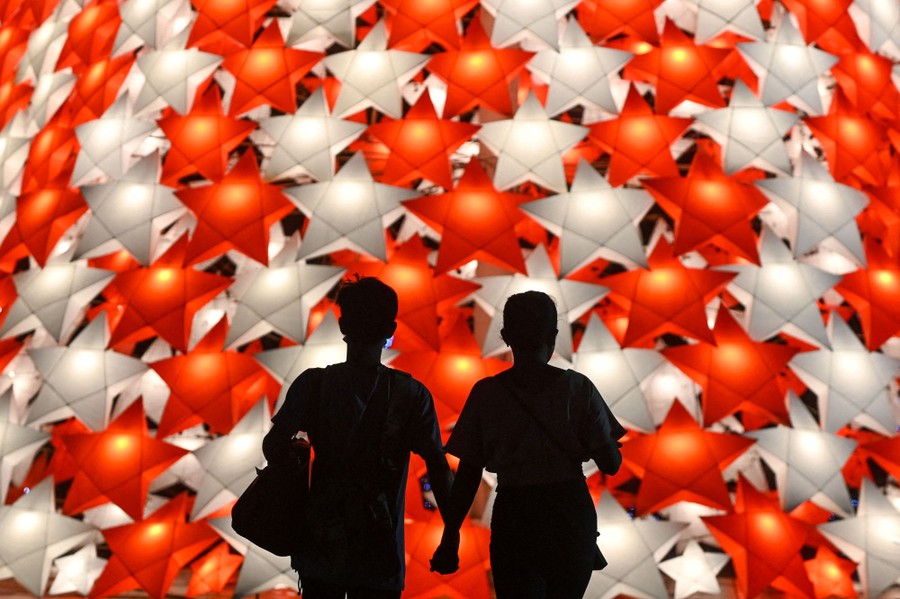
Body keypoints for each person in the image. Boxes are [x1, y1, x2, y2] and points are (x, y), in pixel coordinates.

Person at [263, 277, 452, 599]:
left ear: (343, 325)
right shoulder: (411, 394)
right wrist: (451, 534)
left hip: (321, 548)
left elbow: (273, 446)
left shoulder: (314, 385)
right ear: (390, 329)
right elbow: (437, 466)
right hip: (380, 554)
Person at [429, 290, 626, 598]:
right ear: (553, 335)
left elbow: (468, 475)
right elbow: (611, 465)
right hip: (569, 512)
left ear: (506, 336)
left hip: (515, 514)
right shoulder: (578, 389)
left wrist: (451, 534)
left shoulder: (486, 394)